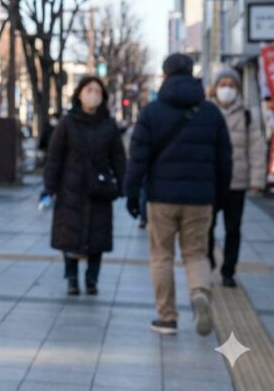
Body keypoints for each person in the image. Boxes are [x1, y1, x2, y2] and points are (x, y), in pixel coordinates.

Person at [125, 53, 231, 336]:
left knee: (161, 256)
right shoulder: (211, 112)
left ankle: (167, 317)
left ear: (165, 75)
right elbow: (225, 160)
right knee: (196, 253)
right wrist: (218, 197)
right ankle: (199, 293)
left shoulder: (151, 112)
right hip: (200, 198)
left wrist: (132, 194)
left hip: (162, 198)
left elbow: (137, 158)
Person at [42, 77, 126, 296]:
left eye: (97, 91)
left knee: (97, 236)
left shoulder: (109, 124)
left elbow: (118, 158)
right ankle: (71, 278)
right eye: (89, 90)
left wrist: (123, 184)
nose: (93, 95)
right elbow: (54, 158)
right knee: (69, 235)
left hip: (99, 189)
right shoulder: (67, 123)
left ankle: (91, 279)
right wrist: (49, 188)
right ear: (79, 93)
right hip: (70, 188)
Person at [207, 67, 265, 288]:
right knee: (206, 227)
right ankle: (209, 261)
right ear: (215, 87)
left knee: (233, 229)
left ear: (238, 89)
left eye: (231, 85)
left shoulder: (249, 114)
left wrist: (256, 180)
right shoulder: (207, 111)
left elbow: (256, 148)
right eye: (223, 85)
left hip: (237, 182)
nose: (227, 90)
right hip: (212, 182)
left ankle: (228, 271)